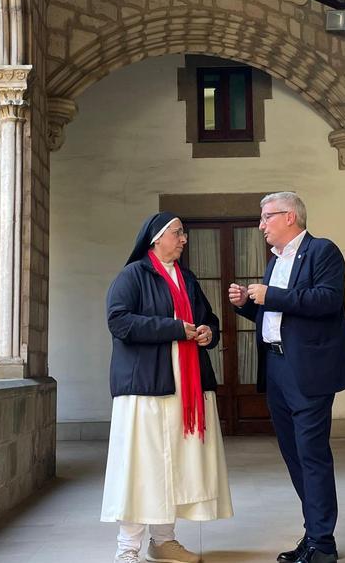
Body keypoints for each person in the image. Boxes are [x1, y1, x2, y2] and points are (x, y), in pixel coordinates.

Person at [227, 192, 345, 563]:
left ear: (289, 216)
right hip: (276, 368)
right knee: (293, 455)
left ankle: (323, 545)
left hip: (309, 370)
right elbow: (277, 317)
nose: (261, 226)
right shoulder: (276, 260)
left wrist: (270, 294)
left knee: (311, 454)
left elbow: (326, 301)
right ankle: (314, 533)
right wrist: (247, 305)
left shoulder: (322, 251)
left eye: (266, 217)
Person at [103, 212, 233, 563]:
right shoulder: (132, 275)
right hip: (146, 388)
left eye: (183, 233)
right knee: (141, 466)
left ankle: (163, 541)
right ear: (156, 238)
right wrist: (174, 328)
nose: (183, 239)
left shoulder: (187, 278)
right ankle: (127, 548)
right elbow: (119, 321)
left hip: (186, 387)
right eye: (178, 233)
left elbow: (208, 318)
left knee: (172, 465)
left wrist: (207, 332)